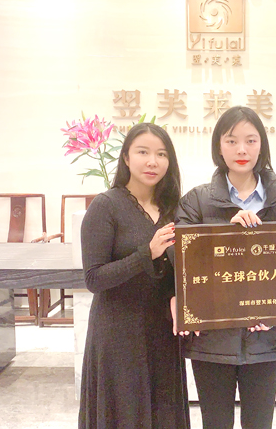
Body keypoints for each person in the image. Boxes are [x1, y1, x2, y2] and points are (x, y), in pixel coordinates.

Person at [175, 106, 276, 429]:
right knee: (215, 423)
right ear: (219, 147)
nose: (242, 150)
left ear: (262, 145)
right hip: (211, 339)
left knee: (259, 423)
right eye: (231, 141)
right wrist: (225, 235)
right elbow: (179, 261)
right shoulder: (196, 201)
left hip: (266, 339)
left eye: (250, 140)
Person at [78, 123, 189, 429]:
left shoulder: (174, 208)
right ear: (126, 157)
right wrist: (146, 253)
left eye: (161, 154)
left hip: (163, 332)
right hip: (118, 333)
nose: (153, 161)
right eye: (143, 152)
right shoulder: (106, 206)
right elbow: (94, 279)